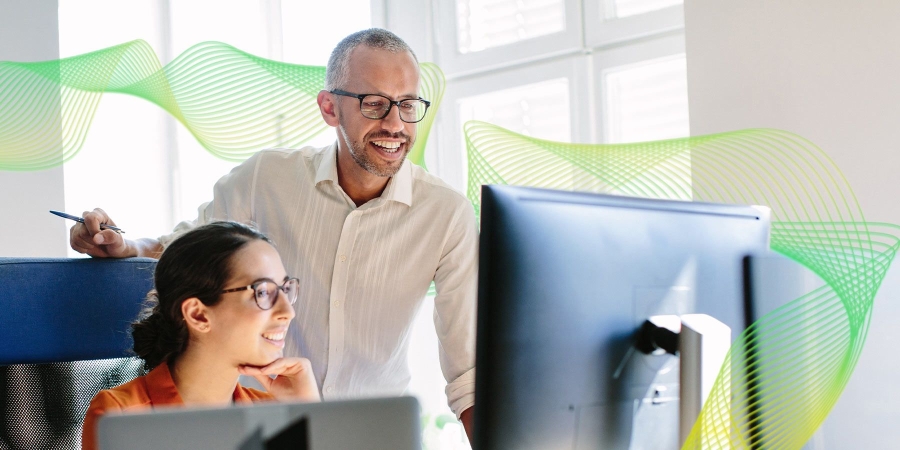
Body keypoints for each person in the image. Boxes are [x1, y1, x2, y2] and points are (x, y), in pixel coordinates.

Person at [69, 28, 478, 438]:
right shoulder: (267, 177)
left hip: (369, 435)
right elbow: (195, 247)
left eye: (407, 105)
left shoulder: (446, 214)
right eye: (374, 104)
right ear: (330, 108)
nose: (396, 124)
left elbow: (469, 376)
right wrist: (126, 246)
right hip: (256, 424)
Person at [81, 222, 320, 450]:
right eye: (263, 292)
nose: (288, 311)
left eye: (286, 289)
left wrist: (308, 413)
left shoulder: (272, 411)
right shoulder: (121, 416)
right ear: (198, 315)